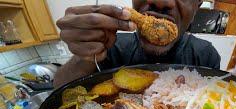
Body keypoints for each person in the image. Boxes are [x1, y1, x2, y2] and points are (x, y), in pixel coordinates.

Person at [53, 0, 221, 87]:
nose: (162, 2)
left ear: (197, 6)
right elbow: (59, 88)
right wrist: (85, 57)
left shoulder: (205, 55)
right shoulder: (112, 46)